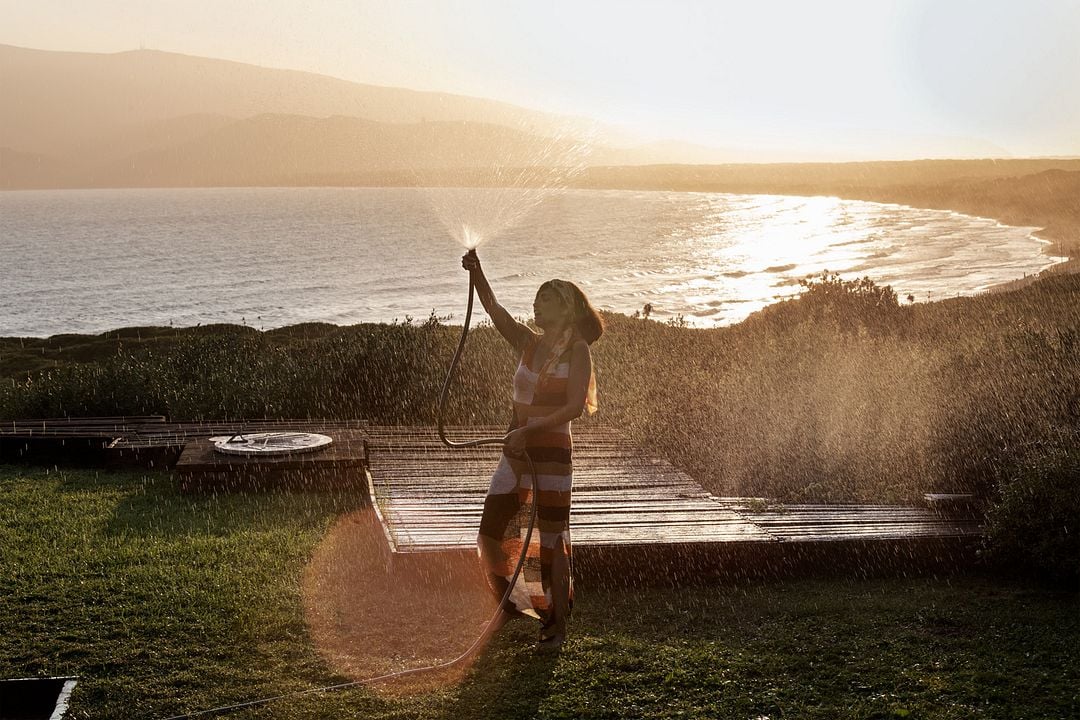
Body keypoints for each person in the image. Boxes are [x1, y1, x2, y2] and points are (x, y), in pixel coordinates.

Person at [461, 250, 603, 653]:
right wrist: (478, 271)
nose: (536, 303)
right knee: (490, 529)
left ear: (565, 309)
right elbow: (494, 310)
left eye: (545, 298)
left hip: (551, 454)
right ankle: (509, 602)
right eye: (536, 297)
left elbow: (574, 406)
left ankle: (555, 627)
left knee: (552, 542)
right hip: (516, 452)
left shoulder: (578, 351)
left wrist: (530, 430)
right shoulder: (527, 341)